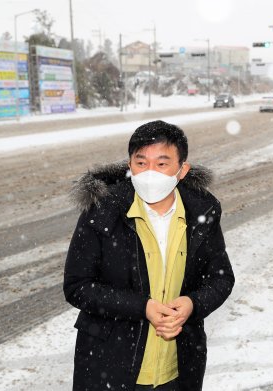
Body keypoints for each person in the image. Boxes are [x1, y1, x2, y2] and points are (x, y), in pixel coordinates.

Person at [64, 120, 234, 391]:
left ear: (182, 170)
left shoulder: (202, 212)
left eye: (162, 163)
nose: (150, 172)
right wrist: (142, 307)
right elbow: (78, 287)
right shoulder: (102, 212)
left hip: (178, 370)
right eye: (141, 163)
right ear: (130, 165)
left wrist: (193, 303)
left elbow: (220, 279)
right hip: (110, 366)